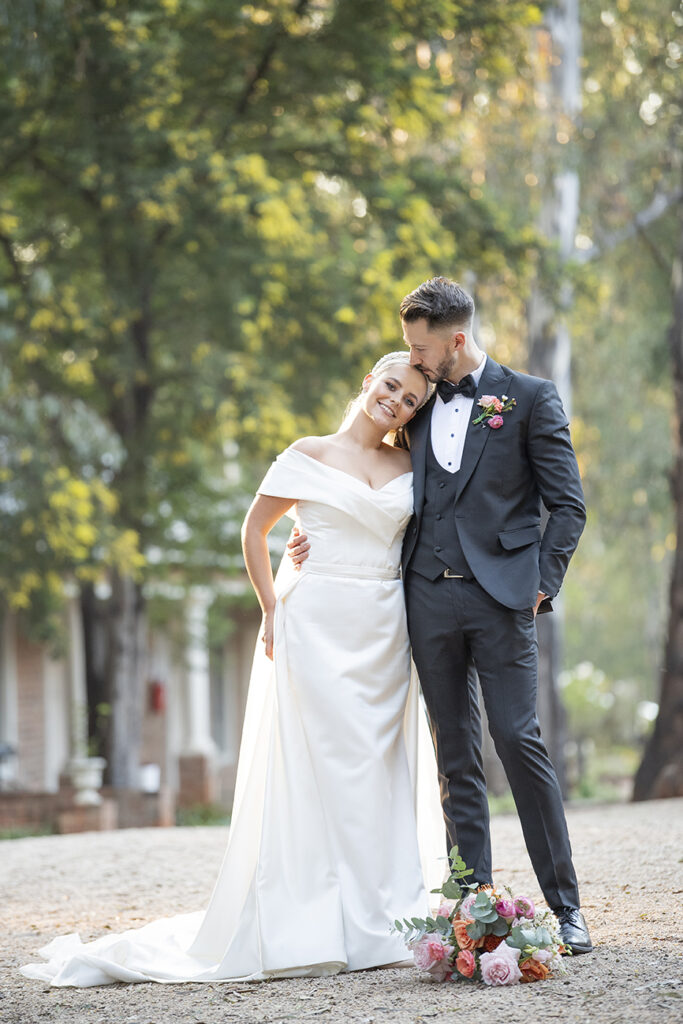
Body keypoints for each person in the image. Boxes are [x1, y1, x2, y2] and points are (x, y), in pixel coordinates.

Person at [20, 353, 444, 987]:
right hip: (316, 623)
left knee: (379, 768)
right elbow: (254, 530)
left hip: (385, 627)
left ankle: (380, 915)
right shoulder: (309, 452)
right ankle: (312, 919)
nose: (396, 402)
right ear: (367, 382)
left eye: (410, 399)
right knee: (313, 769)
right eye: (390, 387)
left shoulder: (412, 465)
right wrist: (272, 606)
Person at [290, 277, 593, 955]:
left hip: (503, 598)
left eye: (421, 349)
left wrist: (541, 585)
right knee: (453, 755)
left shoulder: (530, 399)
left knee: (518, 741)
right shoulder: (416, 403)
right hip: (423, 597)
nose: (413, 362)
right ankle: (472, 907)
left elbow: (567, 505)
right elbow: (364, 473)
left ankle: (565, 906)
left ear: (455, 340)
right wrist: (310, 531)